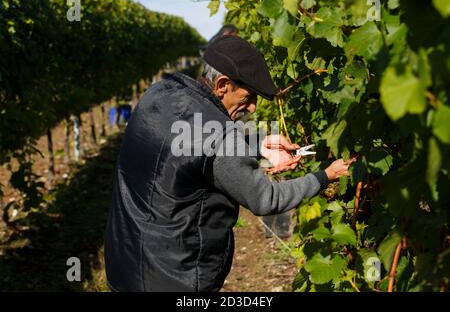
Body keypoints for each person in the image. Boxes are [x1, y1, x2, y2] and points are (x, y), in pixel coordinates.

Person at [104, 35, 355, 292]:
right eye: (249, 97)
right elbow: (266, 199)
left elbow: (186, 145)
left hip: (126, 263)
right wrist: (325, 176)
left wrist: (257, 144)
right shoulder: (222, 137)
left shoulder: (159, 94)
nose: (254, 108)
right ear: (223, 84)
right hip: (177, 279)